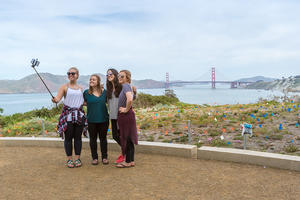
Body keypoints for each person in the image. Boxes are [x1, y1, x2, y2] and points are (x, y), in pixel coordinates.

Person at [52, 67, 87, 168]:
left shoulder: (81, 88)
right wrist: (54, 100)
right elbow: (58, 99)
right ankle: (69, 160)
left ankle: (77, 158)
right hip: (68, 116)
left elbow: (83, 102)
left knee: (78, 138)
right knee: (68, 138)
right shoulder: (64, 87)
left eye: (73, 73)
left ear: (77, 75)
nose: (71, 75)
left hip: (79, 115)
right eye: (69, 73)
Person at [83, 74, 109, 165]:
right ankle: (94, 158)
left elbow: (109, 101)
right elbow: (83, 103)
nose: (91, 81)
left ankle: (104, 157)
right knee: (92, 140)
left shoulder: (105, 92)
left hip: (104, 119)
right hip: (91, 120)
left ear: (98, 81)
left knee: (103, 139)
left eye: (94, 79)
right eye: (90, 79)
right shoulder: (86, 93)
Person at [116, 70, 138, 168]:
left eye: (122, 76)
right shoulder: (127, 86)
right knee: (129, 138)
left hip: (126, 116)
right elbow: (131, 98)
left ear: (127, 78)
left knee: (126, 138)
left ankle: (127, 162)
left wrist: (125, 109)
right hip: (128, 116)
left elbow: (129, 99)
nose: (119, 77)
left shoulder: (125, 86)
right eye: (119, 76)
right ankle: (131, 160)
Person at [106, 68, 124, 164]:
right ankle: (125, 151)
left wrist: (135, 92)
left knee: (122, 136)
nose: (109, 75)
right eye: (107, 74)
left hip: (121, 116)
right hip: (112, 116)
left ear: (115, 75)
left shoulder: (121, 87)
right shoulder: (108, 90)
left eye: (111, 74)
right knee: (115, 136)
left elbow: (130, 97)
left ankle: (125, 154)